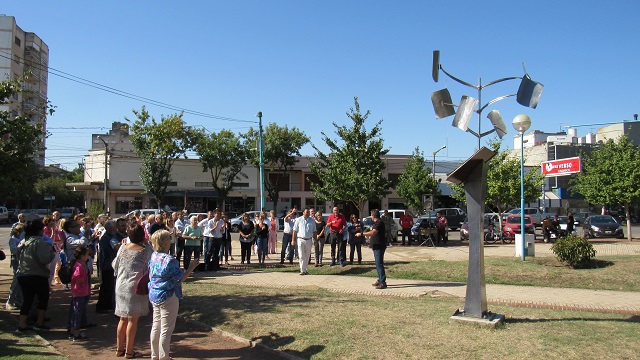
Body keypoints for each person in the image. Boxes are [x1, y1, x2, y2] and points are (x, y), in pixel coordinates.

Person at [148, 230, 199, 360]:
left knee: (156, 326)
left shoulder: (153, 256)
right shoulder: (170, 260)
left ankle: (155, 355)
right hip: (168, 294)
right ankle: (164, 357)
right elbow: (180, 279)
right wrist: (190, 268)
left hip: (154, 293)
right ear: (166, 242)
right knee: (166, 328)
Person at [112, 222, 154, 359]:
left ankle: (119, 349)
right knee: (132, 320)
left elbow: (115, 265)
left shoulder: (123, 248)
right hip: (135, 286)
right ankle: (129, 351)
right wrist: (148, 244)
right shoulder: (146, 250)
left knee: (122, 318)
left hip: (120, 285)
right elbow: (152, 264)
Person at [16, 220, 56, 332]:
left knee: (27, 300)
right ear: (39, 230)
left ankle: (22, 324)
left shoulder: (23, 242)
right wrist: (52, 254)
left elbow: (18, 256)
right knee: (43, 298)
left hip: (23, 274)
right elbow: (45, 259)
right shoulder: (39, 242)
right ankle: (39, 322)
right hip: (37, 274)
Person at [357, 209, 386, 289]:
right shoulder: (376, 223)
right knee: (378, 264)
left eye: (371, 215)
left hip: (379, 246)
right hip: (376, 246)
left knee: (379, 264)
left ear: (373, 216)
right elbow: (372, 231)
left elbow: (373, 233)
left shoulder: (379, 223)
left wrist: (362, 234)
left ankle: (382, 282)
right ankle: (380, 279)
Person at [69, 246, 91, 341]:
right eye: (86, 255)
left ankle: (73, 330)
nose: (88, 256)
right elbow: (76, 276)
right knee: (78, 312)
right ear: (82, 256)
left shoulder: (80, 264)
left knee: (76, 311)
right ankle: (76, 332)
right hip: (80, 292)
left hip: (80, 291)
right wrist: (80, 281)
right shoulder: (79, 266)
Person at [96, 220, 117, 314]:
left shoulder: (110, 236)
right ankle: (101, 305)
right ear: (111, 228)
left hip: (109, 264)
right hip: (107, 265)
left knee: (109, 286)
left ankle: (107, 304)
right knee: (106, 285)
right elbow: (109, 251)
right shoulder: (107, 238)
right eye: (115, 226)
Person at [291, 208, 316, 275]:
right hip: (300, 239)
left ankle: (305, 269)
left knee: (307, 255)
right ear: (303, 213)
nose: (307, 213)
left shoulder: (312, 221)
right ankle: (302, 270)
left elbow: (314, 231)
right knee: (301, 255)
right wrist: (293, 240)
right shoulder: (298, 220)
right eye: (306, 212)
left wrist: (315, 240)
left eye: (308, 212)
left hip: (309, 239)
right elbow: (294, 230)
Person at [6, 224, 25, 311]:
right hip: (16, 260)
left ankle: (19, 300)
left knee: (21, 282)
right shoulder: (13, 239)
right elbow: (13, 250)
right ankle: (10, 301)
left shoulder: (23, 239)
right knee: (16, 281)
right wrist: (21, 247)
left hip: (23, 259)